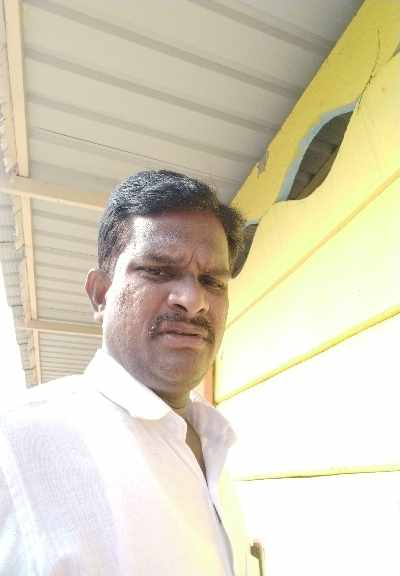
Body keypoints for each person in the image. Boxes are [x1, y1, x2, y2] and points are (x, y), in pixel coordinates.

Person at [0, 170, 251, 575]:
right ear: (100, 295)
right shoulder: (16, 445)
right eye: (158, 271)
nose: (193, 300)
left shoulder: (215, 440)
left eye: (211, 281)